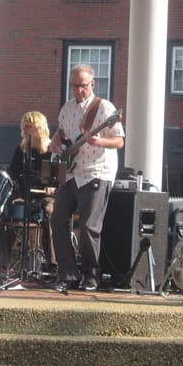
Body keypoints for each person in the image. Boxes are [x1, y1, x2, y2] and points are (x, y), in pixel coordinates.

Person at [49, 64, 124, 292]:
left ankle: (91, 275)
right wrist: (55, 140)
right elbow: (62, 131)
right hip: (72, 171)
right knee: (57, 219)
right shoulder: (67, 108)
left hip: (96, 171)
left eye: (82, 86)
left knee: (89, 226)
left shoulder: (105, 108)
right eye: (74, 86)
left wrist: (101, 141)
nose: (78, 90)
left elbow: (119, 141)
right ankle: (67, 273)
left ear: (92, 83)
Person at [3, 111, 56, 274]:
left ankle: (52, 264)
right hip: (24, 195)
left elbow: (60, 176)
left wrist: (53, 187)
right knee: (6, 211)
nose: (25, 130)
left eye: (29, 127)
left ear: (39, 128)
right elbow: (11, 174)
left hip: (46, 195)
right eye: (24, 127)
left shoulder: (52, 149)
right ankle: (3, 264)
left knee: (49, 210)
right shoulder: (21, 150)